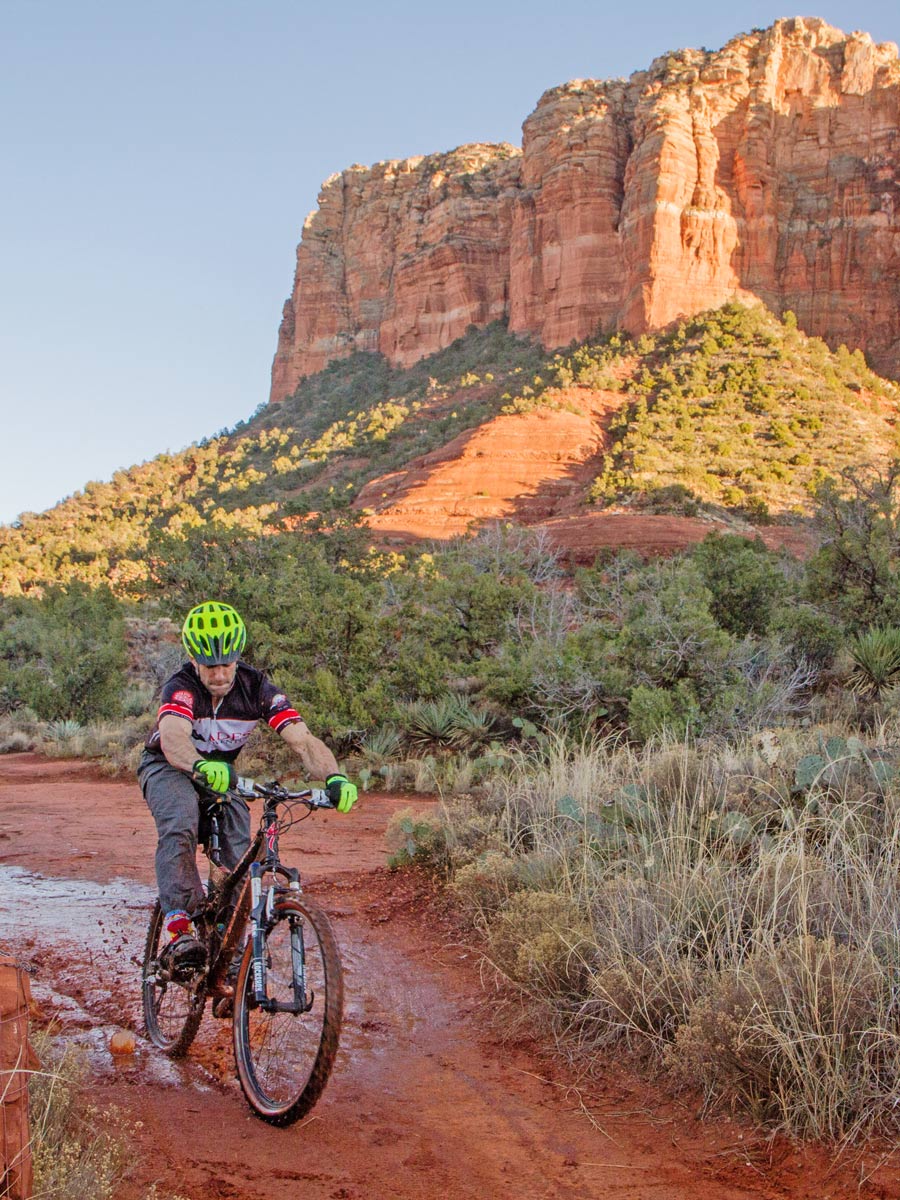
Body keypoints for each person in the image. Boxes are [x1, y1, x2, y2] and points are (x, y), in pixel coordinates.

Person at [138, 599, 357, 976]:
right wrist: (199, 764)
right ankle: (180, 925)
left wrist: (334, 776)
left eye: (227, 663)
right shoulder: (181, 688)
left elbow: (302, 740)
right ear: (194, 661)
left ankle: (229, 937)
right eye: (210, 666)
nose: (220, 674)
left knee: (241, 851)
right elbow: (173, 739)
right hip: (168, 766)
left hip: (220, 775)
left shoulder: (257, 689)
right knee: (181, 822)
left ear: (238, 658)